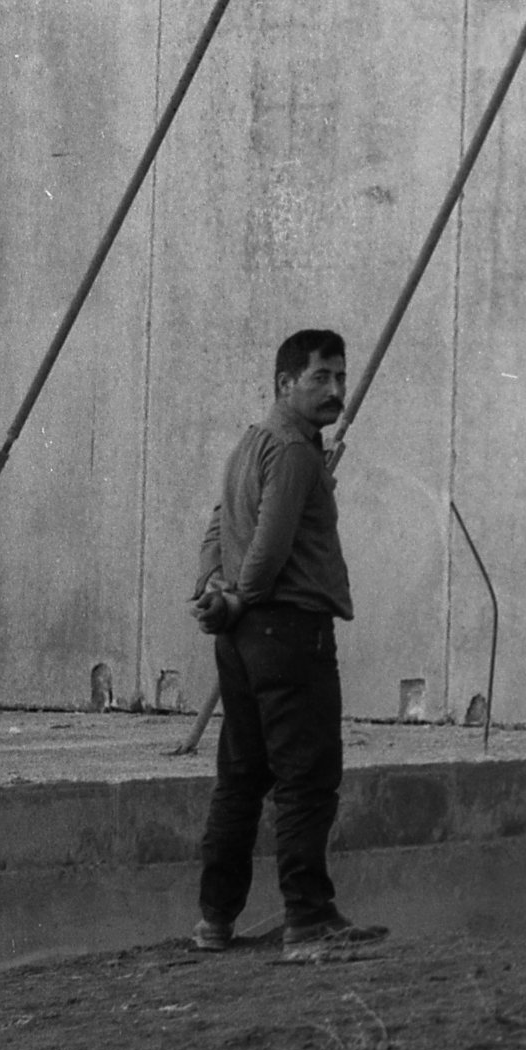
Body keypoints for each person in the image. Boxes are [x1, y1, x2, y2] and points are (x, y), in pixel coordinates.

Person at [194, 325, 381, 956]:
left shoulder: (251, 444)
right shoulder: (296, 452)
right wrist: (243, 592)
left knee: (241, 779)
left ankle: (215, 921)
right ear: (285, 383)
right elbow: (270, 544)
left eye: (340, 377)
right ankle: (307, 920)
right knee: (306, 778)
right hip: (290, 630)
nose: (336, 390)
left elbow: (219, 523)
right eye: (320, 378)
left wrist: (212, 589)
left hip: (242, 639)